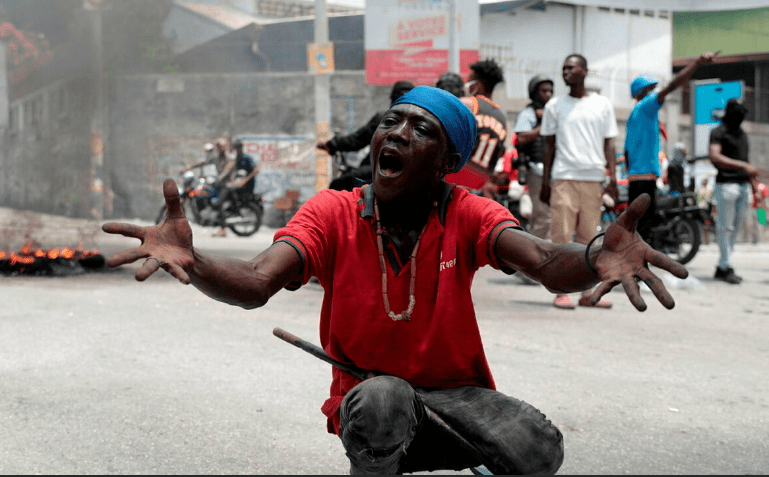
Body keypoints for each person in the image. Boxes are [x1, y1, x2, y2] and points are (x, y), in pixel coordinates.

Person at [102, 86, 687, 475]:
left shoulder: (467, 211)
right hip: (373, 399)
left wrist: (592, 253)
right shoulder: (332, 212)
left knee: (540, 448)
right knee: (385, 399)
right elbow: (257, 282)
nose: (397, 134)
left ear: (446, 162)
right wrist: (195, 262)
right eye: (392, 122)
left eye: (421, 129)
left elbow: (539, 258)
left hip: (458, 398)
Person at [540, 54, 619, 310]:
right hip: (564, 177)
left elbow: (609, 144)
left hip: (593, 179)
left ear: (584, 71)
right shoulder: (555, 105)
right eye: (563, 68)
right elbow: (548, 146)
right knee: (562, 238)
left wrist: (613, 179)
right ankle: (560, 291)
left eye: (571, 68)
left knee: (589, 239)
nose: (566, 72)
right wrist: (545, 180)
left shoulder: (602, 104)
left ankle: (587, 293)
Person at [624, 51, 717, 239]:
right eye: (650, 89)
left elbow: (626, 151)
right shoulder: (646, 106)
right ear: (643, 92)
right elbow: (673, 86)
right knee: (643, 230)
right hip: (645, 178)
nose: (654, 93)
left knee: (638, 225)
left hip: (636, 177)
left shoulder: (634, 115)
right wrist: (696, 63)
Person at [318, 81, 415, 191]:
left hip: (379, 167)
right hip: (408, 170)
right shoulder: (419, 121)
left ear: (393, 98)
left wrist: (332, 144)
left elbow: (358, 140)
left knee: (338, 184)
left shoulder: (385, 118)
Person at [708, 98, 759, 284]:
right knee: (725, 228)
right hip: (726, 186)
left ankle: (723, 265)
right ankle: (725, 266)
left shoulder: (743, 135)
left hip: (743, 186)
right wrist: (742, 166)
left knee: (734, 229)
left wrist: (753, 184)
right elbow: (714, 156)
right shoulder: (718, 132)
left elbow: (747, 162)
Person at [445, 59, 508, 196]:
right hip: (481, 187)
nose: (465, 86)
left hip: (456, 182)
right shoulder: (502, 118)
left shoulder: (468, 104)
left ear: (477, 86)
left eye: (468, 81)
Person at [515, 75, 554, 240]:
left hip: (555, 171)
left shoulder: (552, 112)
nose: (548, 94)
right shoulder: (529, 113)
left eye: (550, 91)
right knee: (542, 216)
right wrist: (543, 124)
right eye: (544, 91)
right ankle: (534, 256)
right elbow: (521, 137)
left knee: (554, 217)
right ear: (535, 92)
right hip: (536, 170)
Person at [212, 139, 259, 237]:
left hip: (246, 186)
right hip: (236, 184)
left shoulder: (246, 157)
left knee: (220, 202)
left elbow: (255, 170)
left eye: (238, 147)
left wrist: (245, 181)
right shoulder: (235, 158)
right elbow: (232, 171)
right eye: (235, 147)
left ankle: (223, 228)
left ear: (241, 147)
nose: (237, 149)